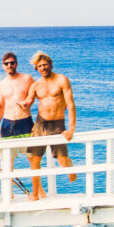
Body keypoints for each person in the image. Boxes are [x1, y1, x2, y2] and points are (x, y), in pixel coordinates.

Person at [19, 51, 77, 200]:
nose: (43, 68)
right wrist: (22, 104)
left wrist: (71, 128)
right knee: (34, 159)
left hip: (57, 124)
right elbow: (28, 102)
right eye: (40, 66)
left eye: (45, 65)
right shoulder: (36, 85)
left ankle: (69, 166)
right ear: (36, 69)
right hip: (40, 124)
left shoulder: (62, 80)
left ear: (51, 65)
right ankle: (35, 194)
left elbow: (70, 105)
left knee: (62, 161)